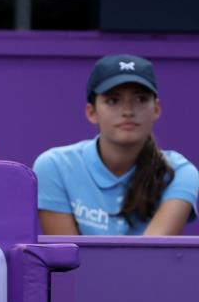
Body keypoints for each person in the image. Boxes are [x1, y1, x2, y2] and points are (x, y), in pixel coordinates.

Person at [34, 55, 198, 235]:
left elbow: (151, 257)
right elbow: (68, 260)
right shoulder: (53, 166)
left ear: (156, 109)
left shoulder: (181, 173)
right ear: (91, 112)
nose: (128, 111)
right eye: (113, 100)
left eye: (141, 99)